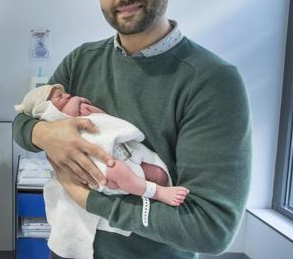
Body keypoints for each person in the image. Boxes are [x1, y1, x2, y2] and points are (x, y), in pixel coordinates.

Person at [13, 0, 251, 259]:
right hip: (66, 257)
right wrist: (45, 134)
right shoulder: (82, 61)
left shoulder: (212, 82)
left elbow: (211, 228)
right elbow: (24, 121)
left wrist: (90, 199)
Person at [14, 83, 189, 206]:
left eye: (65, 94)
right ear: (45, 109)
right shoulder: (52, 117)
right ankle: (156, 192)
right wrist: (77, 100)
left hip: (121, 152)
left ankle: (157, 186)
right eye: (60, 96)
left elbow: (105, 122)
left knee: (158, 173)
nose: (68, 95)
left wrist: (96, 112)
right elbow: (21, 124)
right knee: (118, 171)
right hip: (102, 167)